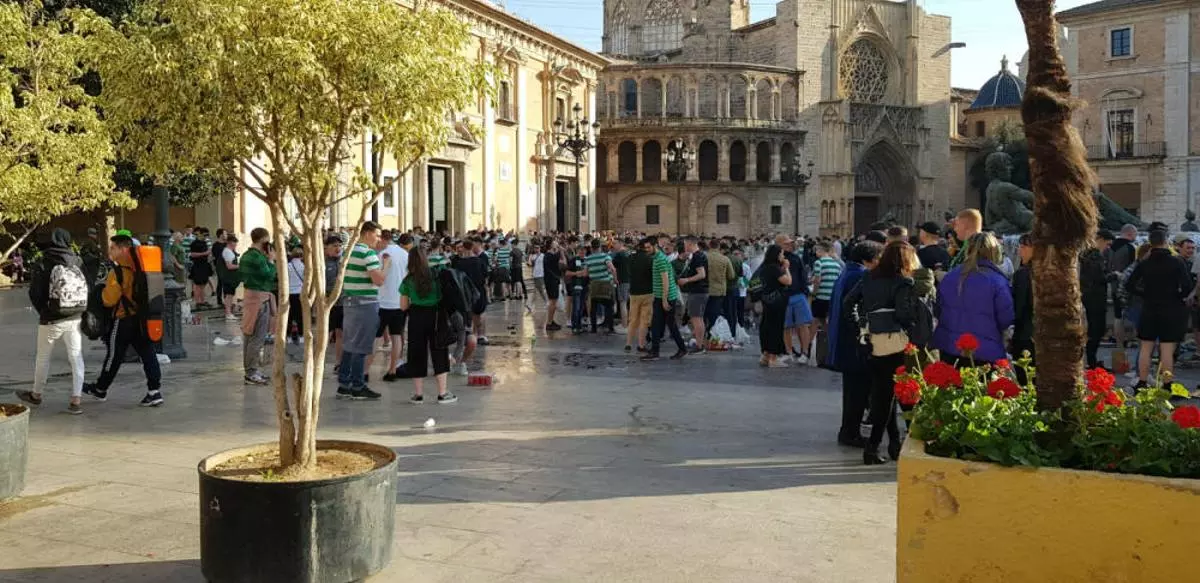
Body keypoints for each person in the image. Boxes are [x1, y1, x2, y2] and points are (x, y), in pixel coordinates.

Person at [844, 241, 922, 464]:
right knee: (895, 396)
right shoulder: (903, 282)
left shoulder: (869, 277)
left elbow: (848, 302)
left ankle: (892, 444)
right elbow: (903, 314)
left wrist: (860, 327)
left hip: (873, 343)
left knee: (883, 395)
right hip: (895, 343)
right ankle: (875, 446)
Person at [82, 235, 164, 407]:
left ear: (123, 249)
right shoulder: (140, 269)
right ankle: (154, 391)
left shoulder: (117, 272)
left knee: (114, 356)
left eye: (113, 248)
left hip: (122, 320)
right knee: (147, 353)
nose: (110, 251)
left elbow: (109, 300)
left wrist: (100, 292)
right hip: (141, 318)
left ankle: (100, 389)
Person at [18, 229, 88, 414]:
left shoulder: (44, 261)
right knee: (76, 356)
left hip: (51, 318)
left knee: (43, 357)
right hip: (75, 315)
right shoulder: (77, 260)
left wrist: (44, 310)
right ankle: (76, 400)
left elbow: (35, 292)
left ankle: (36, 394)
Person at [828, 240, 883, 447]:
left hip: (844, 341)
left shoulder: (846, 272)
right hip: (854, 343)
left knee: (852, 391)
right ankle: (851, 432)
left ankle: (849, 430)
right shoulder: (860, 276)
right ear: (869, 259)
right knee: (858, 391)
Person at [933, 232, 1015, 366]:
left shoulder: (950, 277)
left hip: (950, 346)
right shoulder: (998, 281)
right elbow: (1006, 318)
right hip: (985, 350)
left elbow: (938, 310)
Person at [1125, 229, 1192, 389]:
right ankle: (1167, 384)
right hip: (1170, 308)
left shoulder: (1145, 263)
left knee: (1146, 347)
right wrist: (1177, 296)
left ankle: (1142, 381)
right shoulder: (1176, 262)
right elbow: (1187, 286)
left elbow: (1129, 284)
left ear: (1151, 242)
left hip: (1149, 307)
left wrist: (1144, 293)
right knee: (1167, 349)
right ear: (1166, 241)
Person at [336, 222, 385, 400]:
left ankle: (344, 384)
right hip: (365, 303)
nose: (378, 239)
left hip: (349, 301)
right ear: (367, 233)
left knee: (349, 343)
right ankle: (358, 385)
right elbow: (379, 280)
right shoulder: (368, 254)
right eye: (377, 235)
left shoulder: (347, 252)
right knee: (361, 346)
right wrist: (386, 266)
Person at [402, 249, 457, 404]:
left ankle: (418, 395)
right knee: (439, 351)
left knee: (416, 353)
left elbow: (403, 306)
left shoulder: (408, 280)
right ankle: (442, 393)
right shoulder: (435, 276)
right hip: (436, 316)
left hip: (416, 317)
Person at [240, 228, 277, 386]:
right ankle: (252, 372)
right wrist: (271, 260)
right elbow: (269, 275)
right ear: (263, 240)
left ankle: (250, 370)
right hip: (259, 299)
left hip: (250, 297)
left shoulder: (245, 256)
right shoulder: (258, 258)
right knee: (257, 337)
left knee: (249, 336)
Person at [641, 237, 687, 361]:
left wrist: (664, 300)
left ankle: (676, 349)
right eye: (645, 248)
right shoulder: (657, 257)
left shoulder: (660, 259)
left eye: (648, 247)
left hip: (665, 297)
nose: (647, 250)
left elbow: (665, 280)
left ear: (655, 246)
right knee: (658, 324)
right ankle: (657, 350)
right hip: (662, 296)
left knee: (668, 324)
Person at [378, 233, 411, 382]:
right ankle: (393, 369)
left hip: (383, 301)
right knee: (397, 335)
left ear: (383, 240)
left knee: (376, 336)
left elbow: (378, 277)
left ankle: (365, 371)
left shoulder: (382, 254)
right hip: (400, 301)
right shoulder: (405, 254)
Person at [777, 234, 814, 365]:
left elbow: (802, 275)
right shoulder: (775, 260)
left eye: (790, 243)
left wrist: (805, 292)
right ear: (779, 245)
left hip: (797, 294)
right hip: (784, 296)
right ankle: (789, 352)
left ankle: (805, 353)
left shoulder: (796, 258)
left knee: (802, 325)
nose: (789, 245)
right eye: (786, 243)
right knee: (785, 327)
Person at [1081, 230, 1113, 369]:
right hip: (1095, 298)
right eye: (1107, 244)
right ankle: (1092, 361)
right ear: (1100, 240)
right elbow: (1099, 277)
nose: (1107, 247)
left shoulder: (1087, 255)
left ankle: (1091, 360)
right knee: (1096, 330)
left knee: (1095, 330)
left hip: (1090, 296)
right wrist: (1113, 276)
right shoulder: (1094, 256)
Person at [757, 244, 793, 368]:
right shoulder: (774, 268)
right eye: (781, 254)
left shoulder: (764, 267)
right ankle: (773, 357)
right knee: (776, 328)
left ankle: (766, 355)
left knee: (767, 326)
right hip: (777, 302)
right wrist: (786, 268)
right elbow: (788, 281)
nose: (783, 256)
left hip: (767, 300)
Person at [1107, 224, 1139, 346]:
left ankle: (1119, 345)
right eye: (1135, 234)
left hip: (1114, 285)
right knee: (1135, 313)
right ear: (1130, 233)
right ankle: (1135, 339)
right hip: (1128, 286)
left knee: (1118, 316)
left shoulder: (1110, 247)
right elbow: (1133, 268)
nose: (1136, 237)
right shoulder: (1130, 247)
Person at [677, 237, 709, 351]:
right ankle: (700, 344)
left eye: (685, 244)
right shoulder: (699, 255)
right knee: (698, 319)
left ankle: (699, 346)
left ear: (690, 244)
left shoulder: (697, 256)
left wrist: (687, 280)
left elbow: (702, 274)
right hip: (699, 291)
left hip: (698, 292)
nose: (684, 247)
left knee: (696, 319)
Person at [1011, 234, 1035, 384]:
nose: (1020, 251)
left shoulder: (1023, 274)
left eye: (1024, 247)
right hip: (1043, 335)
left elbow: (1018, 308)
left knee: (1026, 381)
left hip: (1025, 335)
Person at [625, 237, 655, 352]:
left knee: (633, 319)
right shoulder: (650, 259)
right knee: (644, 321)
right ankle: (641, 345)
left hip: (634, 292)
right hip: (647, 292)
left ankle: (628, 344)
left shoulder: (630, 258)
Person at [584, 238, 618, 334]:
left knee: (594, 307)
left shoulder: (588, 259)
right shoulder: (605, 256)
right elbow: (612, 269)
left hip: (594, 284)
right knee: (609, 306)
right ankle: (610, 328)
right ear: (599, 247)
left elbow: (586, 273)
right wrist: (615, 279)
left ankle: (594, 328)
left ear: (592, 248)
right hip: (605, 284)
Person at [810, 241, 843, 331]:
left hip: (821, 296)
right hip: (832, 297)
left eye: (816, 250)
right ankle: (828, 336)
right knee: (827, 319)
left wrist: (814, 294)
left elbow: (817, 280)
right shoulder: (837, 264)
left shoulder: (818, 262)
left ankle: (809, 339)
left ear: (821, 250)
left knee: (815, 320)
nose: (815, 252)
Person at [704, 240, 735, 337]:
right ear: (718, 247)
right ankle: (712, 335)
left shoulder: (704, 257)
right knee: (714, 313)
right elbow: (731, 275)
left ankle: (703, 334)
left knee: (704, 313)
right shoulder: (725, 259)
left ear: (709, 246)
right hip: (719, 291)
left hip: (704, 290)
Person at [324, 235, 345, 368]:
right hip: (328, 304)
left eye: (339, 246)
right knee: (325, 333)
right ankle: (318, 361)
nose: (338, 248)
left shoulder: (344, 261)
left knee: (340, 334)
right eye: (334, 246)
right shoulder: (323, 264)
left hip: (343, 303)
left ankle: (339, 362)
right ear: (327, 248)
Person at [285, 244, 305, 345]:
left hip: (289, 293)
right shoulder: (303, 266)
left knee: (289, 315)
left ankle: (288, 336)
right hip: (300, 293)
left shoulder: (287, 266)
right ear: (302, 256)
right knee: (300, 315)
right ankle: (301, 336)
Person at [543, 239, 563, 330]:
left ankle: (551, 320)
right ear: (551, 245)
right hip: (552, 280)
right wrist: (560, 250)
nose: (557, 243)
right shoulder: (550, 255)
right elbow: (562, 258)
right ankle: (549, 323)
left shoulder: (549, 255)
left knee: (553, 301)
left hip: (551, 280)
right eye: (555, 243)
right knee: (553, 302)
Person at [189, 229, 213, 307]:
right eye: (205, 235)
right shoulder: (194, 243)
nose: (206, 237)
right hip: (197, 265)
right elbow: (192, 254)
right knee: (198, 285)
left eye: (207, 235)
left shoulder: (204, 243)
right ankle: (197, 302)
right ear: (200, 234)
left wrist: (209, 256)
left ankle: (202, 301)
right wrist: (204, 253)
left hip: (204, 265)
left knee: (203, 284)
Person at [219, 235, 241, 320]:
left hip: (230, 278)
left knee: (230, 295)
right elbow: (229, 266)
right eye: (235, 243)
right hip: (228, 278)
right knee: (229, 296)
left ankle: (229, 312)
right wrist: (240, 266)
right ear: (231, 243)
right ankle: (228, 313)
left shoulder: (229, 251)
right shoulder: (227, 252)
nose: (236, 245)